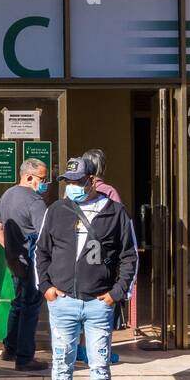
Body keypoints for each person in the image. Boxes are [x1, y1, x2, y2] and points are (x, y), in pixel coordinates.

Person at [35, 156, 138, 380]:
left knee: (99, 364)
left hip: (98, 303)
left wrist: (115, 294)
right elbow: (41, 252)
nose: (72, 187)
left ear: (93, 181)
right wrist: (46, 288)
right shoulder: (56, 210)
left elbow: (129, 257)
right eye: (68, 182)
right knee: (62, 363)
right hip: (63, 301)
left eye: (78, 181)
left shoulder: (116, 213)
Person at [0, 157, 50, 371]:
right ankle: (25, 358)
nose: (45, 183)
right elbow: (46, 236)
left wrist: (10, 250)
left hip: (15, 261)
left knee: (18, 303)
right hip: (32, 263)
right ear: (28, 177)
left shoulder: (7, 195)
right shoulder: (35, 202)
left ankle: (10, 348)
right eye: (42, 179)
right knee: (30, 307)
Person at [77, 148, 129, 365]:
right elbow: (121, 225)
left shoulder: (73, 191)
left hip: (78, 257)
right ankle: (99, 351)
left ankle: (80, 348)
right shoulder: (109, 191)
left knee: (79, 303)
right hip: (102, 258)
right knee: (102, 307)